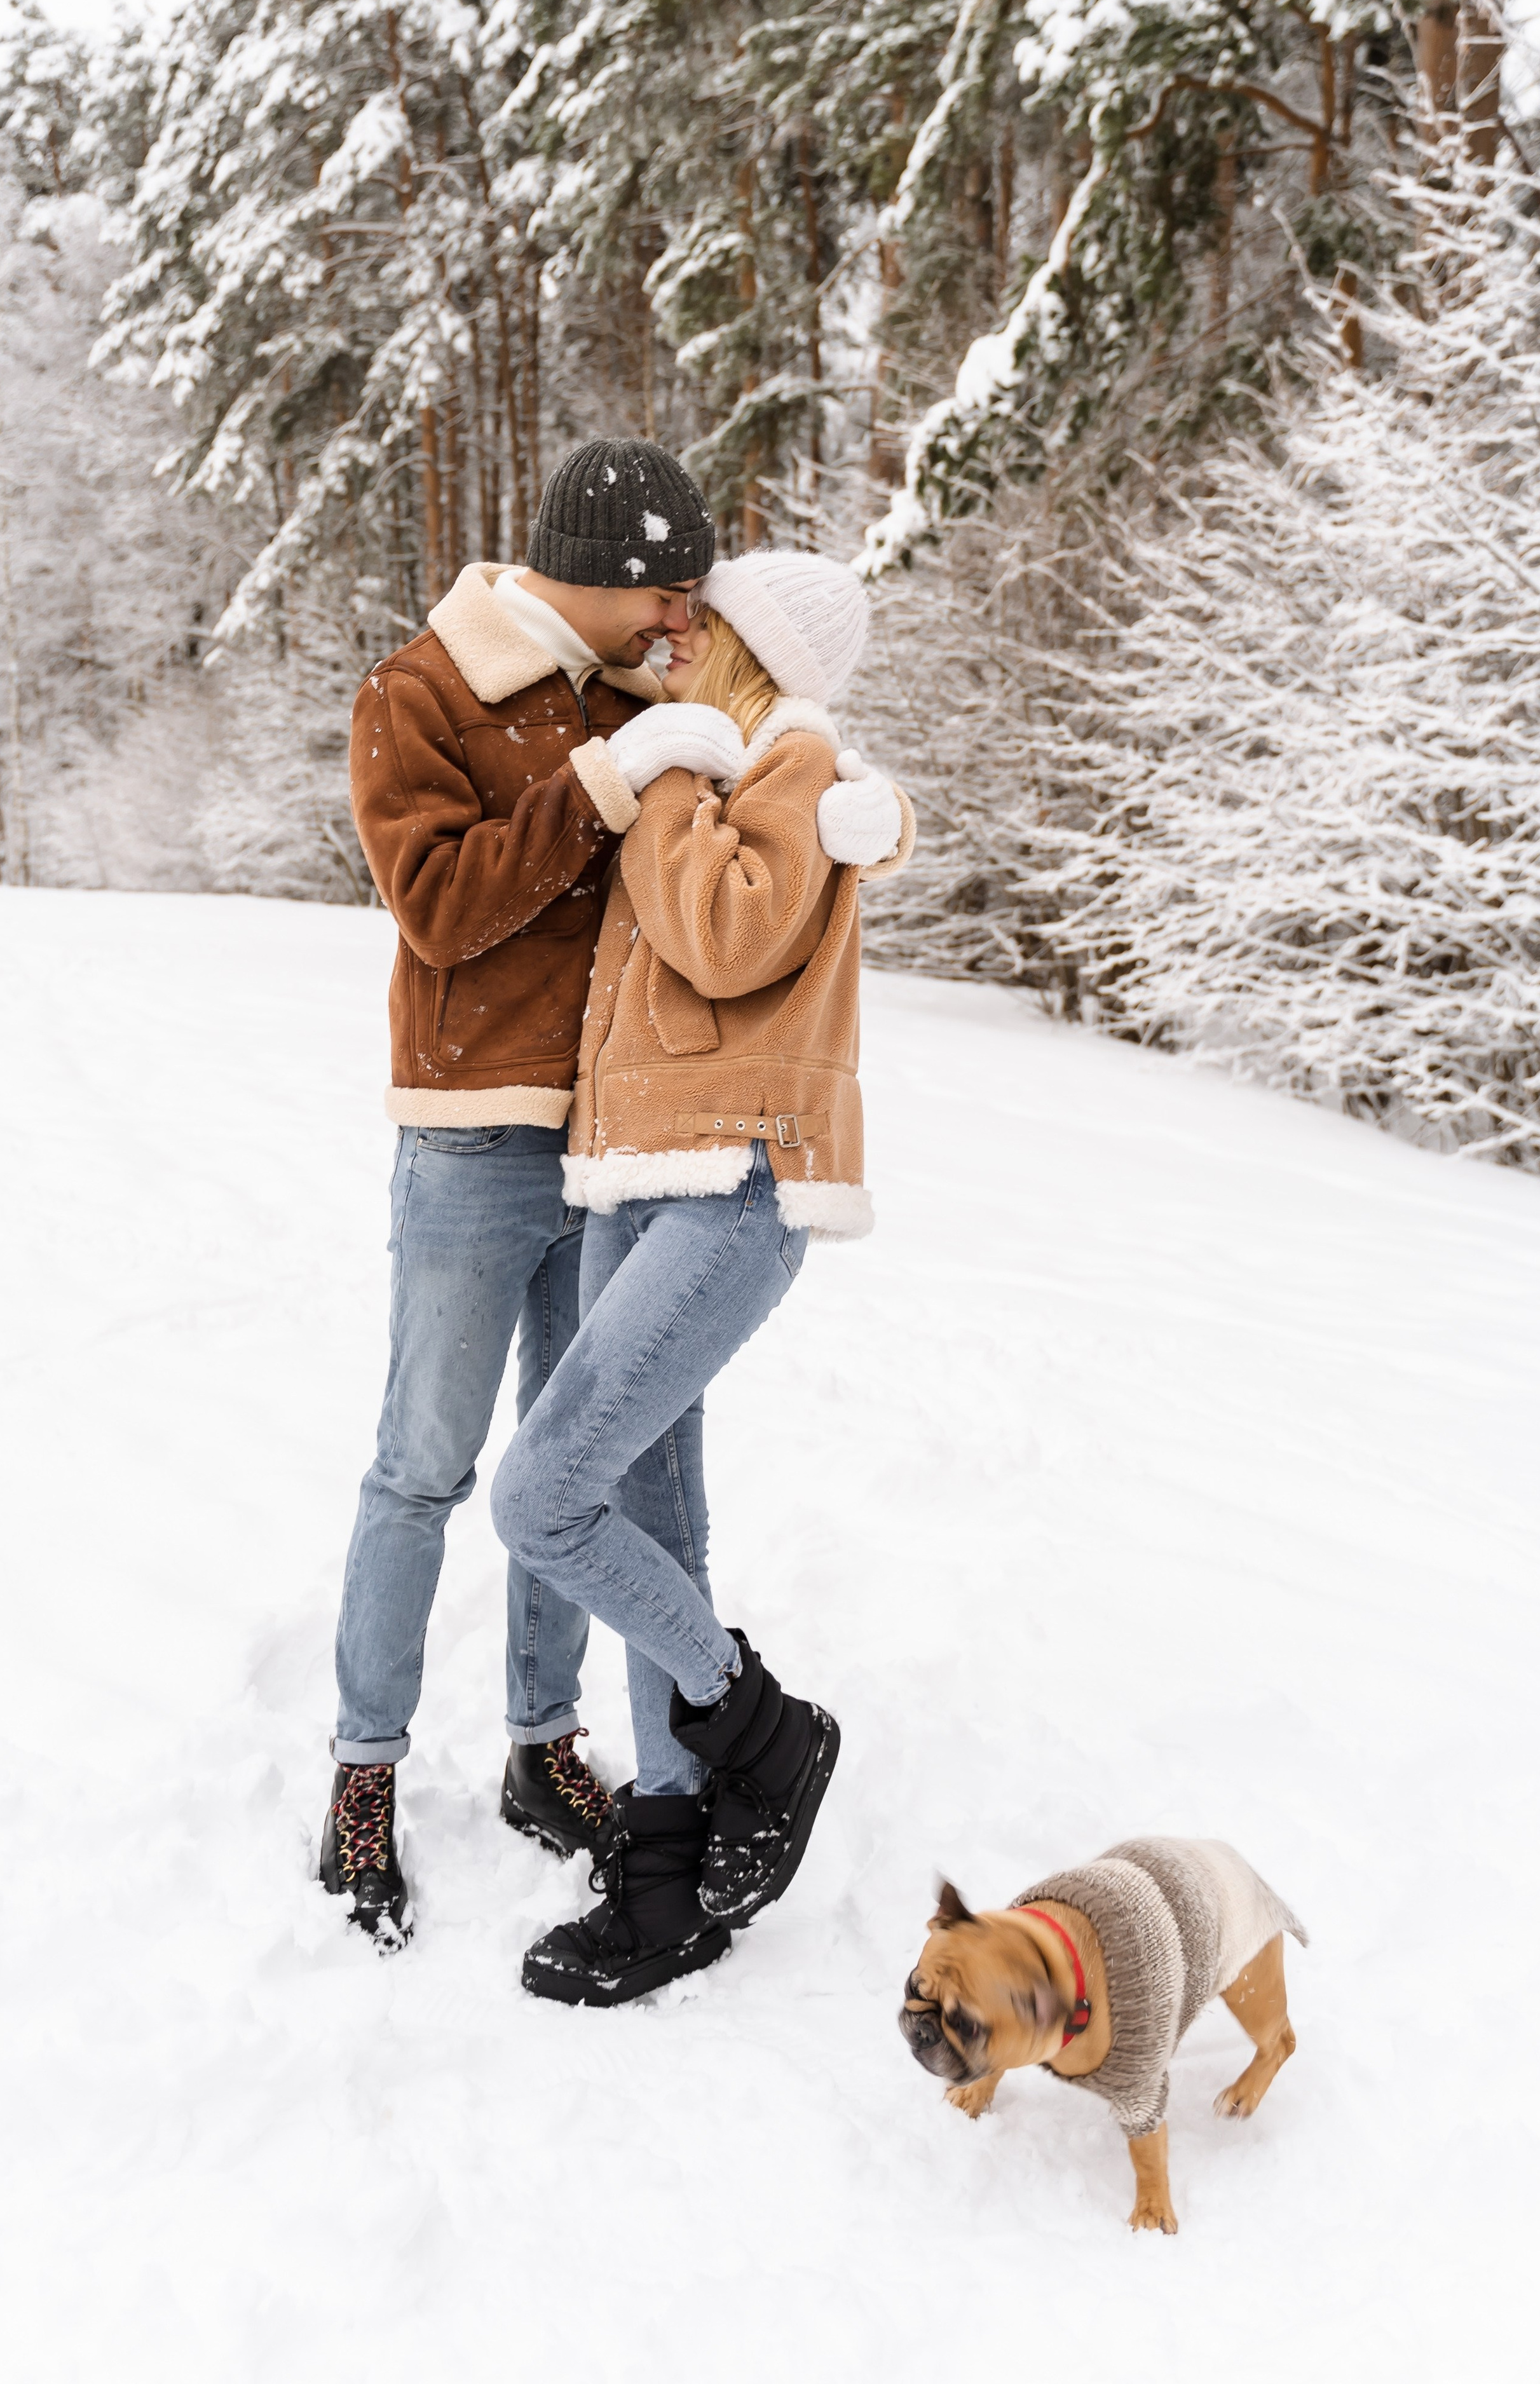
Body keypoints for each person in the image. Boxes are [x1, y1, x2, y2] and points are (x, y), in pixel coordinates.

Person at [320, 444, 907, 1947]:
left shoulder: (646, 690)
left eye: (693, 603)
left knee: (571, 1459)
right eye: (667, 591)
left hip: (615, 1149)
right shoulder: (424, 691)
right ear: (600, 569)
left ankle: (542, 1742)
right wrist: (604, 783)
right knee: (425, 1466)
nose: (679, 620)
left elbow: (769, 786)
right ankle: (363, 1769)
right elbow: (437, 908)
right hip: (471, 1136)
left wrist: (873, 815)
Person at [490, 548, 914, 2005]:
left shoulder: (783, 760)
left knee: (542, 1497)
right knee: (645, 1526)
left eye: (698, 622)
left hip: (734, 1180)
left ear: (752, 647)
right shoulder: (728, 755)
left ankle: (759, 1729)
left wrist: (668, 771)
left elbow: (721, 940)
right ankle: (665, 1863)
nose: (671, 636)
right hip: (640, 1170)